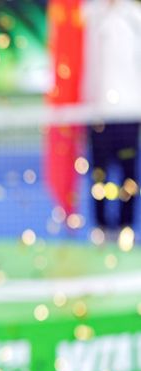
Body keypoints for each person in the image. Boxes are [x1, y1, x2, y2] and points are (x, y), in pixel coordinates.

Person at [81, 0, 141, 235]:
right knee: (99, 174)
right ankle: (102, 229)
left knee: (128, 172)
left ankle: (126, 227)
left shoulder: (135, 16)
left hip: (129, 113)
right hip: (97, 114)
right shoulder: (88, 16)